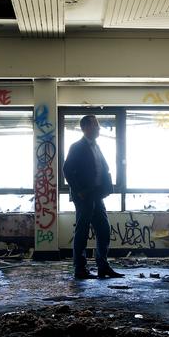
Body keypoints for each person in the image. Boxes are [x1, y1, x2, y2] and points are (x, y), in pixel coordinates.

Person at [63, 115, 124, 279]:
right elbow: (67, 170)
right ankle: (80, 269)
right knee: (82, 231)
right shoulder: (77, 147)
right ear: (87, 127)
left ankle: (102, 266)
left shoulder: (96, 146)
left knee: (104, 230)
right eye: (96, 125)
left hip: (96, 194)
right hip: (84, 196)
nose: (99, 128)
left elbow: (101, 168)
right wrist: (79, 190)